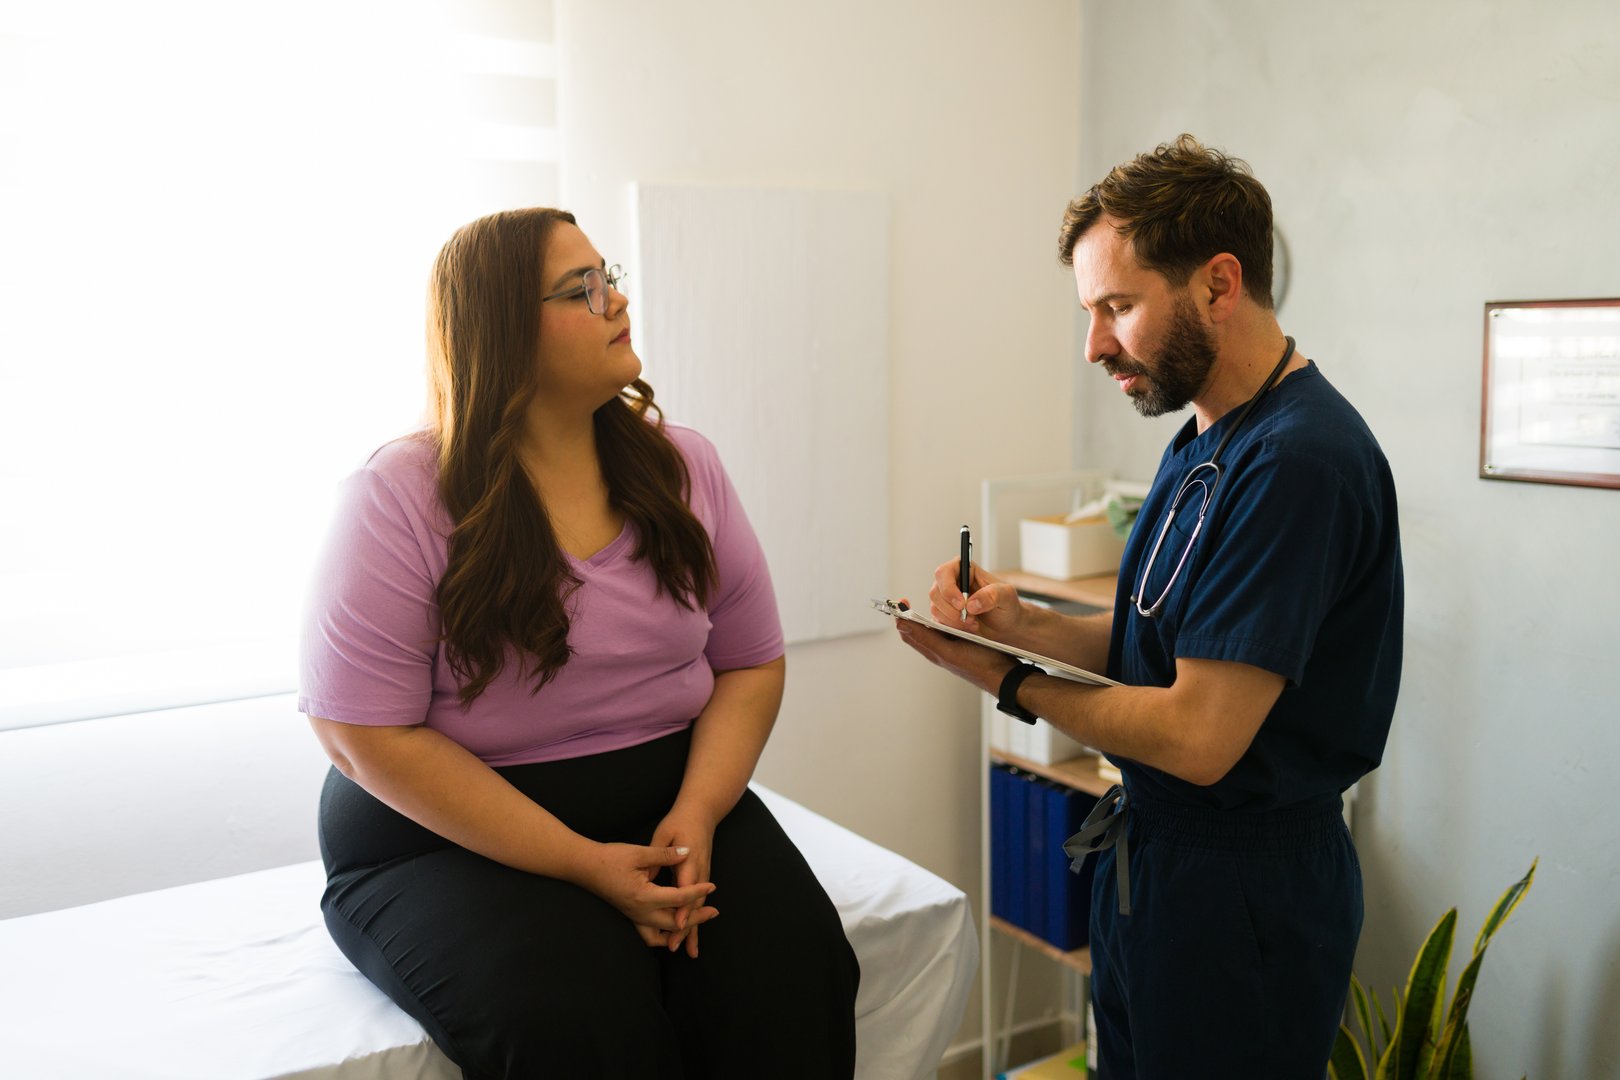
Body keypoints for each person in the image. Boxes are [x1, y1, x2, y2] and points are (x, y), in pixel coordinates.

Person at [299, 207, 859, 1079]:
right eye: (582, 288)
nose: (617, 301)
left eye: (611, 275)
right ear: (501, 331)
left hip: (668, 798)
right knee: (581, 1022)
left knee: (795, 973)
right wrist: (582, 865)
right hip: (444, 836)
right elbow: (359, 734)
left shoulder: (681, 467)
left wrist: (698, 814)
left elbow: (749, 660)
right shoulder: (399, 494)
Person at [897, 135, 1403, 1077]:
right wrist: (1022, 626)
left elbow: (1196, 734)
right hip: (1158, 866)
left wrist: (1007, 681)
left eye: (1116, 308)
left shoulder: (1299, 462)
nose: (1092, 346)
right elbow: (1158, 647)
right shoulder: (1201, 436)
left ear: (1219, 282)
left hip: (1243, 892)